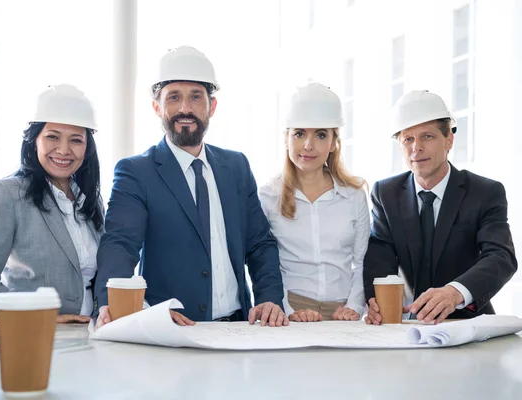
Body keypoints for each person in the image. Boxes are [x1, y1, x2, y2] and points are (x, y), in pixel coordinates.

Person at [95, 46, 286, 327]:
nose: (185, 109)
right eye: (174, 97)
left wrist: (269, 298)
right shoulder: (136, 172)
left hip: (240, 328)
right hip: (172, 330)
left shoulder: (236, 167)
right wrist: (114, 304)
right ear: (157, 107)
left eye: (196, 97)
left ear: (212, 106)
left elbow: (259, 244)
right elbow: (120, 245)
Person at [363, 90, 517, 325]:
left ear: (449, 140)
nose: (417, 148)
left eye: (427, 136)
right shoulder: (386, 193)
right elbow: (379, 257)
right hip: (407, 326)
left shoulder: (485, 192)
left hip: (468, 323)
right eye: (408, 139)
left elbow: (500, 256)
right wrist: (375, 301)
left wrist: (455, 292)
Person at [0, 84, 104, 323]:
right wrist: (38, 317)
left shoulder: (90, 201)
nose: (64, 150)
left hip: (90, 336)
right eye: (52, 137)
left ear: (87, 148)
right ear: (34, 140)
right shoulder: (7, 194)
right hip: (31, 335)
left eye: (76, 140)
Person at [259, 83, 369, 322]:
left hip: (344, 314)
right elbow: (265, 263)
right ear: (286, 138)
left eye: (320, 135)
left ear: (333, 143)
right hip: (292, 311)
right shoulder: (268, 196)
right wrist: (288, 310)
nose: (308, 145)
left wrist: (354, 307)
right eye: (299, 133)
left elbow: (362, 261)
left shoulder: (354, 195)